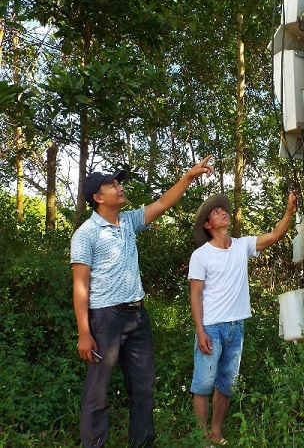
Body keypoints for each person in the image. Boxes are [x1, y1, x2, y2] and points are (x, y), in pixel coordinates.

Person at [71, 155, 214, 448]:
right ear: (98, 197)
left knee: (143, 387)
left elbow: (162, 203)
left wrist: (187, 177)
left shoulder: (128, 221)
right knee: (98, 392)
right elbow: (80, 285)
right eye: (111, 184)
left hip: (136, 316)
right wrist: (84, 332)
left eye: (117, 182)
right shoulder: (86, 234)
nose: (118, 187)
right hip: (105, 320)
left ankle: (142, 443)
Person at [188, 191, 298, 445]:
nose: (223, 212)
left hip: (236, 327)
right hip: (211, 328)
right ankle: (201, 437)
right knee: (203, 383)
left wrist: (289, 211)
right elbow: (195, 296)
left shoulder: (241, 245)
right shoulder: (201, 255)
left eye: (223, 209)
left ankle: (216, 432)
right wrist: (201, 331)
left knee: (226, 384)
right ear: (207, 225)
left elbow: (274, 236)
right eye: (216, 212)